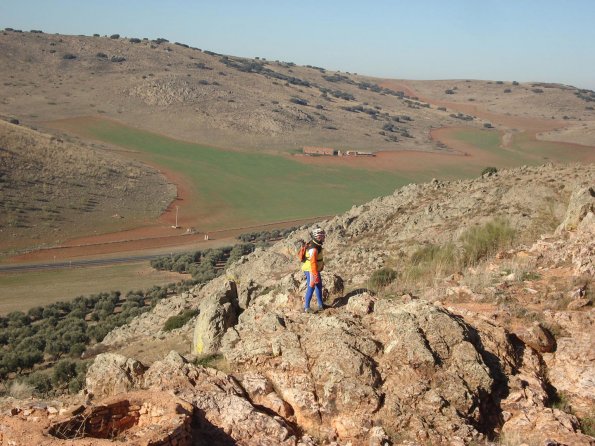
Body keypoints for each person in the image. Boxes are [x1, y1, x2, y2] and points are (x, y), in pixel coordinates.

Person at [301, 227, 326, 312]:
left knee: (318, 285)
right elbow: (313, 262)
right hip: (311, 269)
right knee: (311, 286)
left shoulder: (317, 244)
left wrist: (321, 265)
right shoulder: (314, 248)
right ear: (318, 237)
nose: (324, 237)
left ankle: (320, 305)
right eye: (322, 236)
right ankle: (307, 307)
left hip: (314, 269)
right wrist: (315, 274)